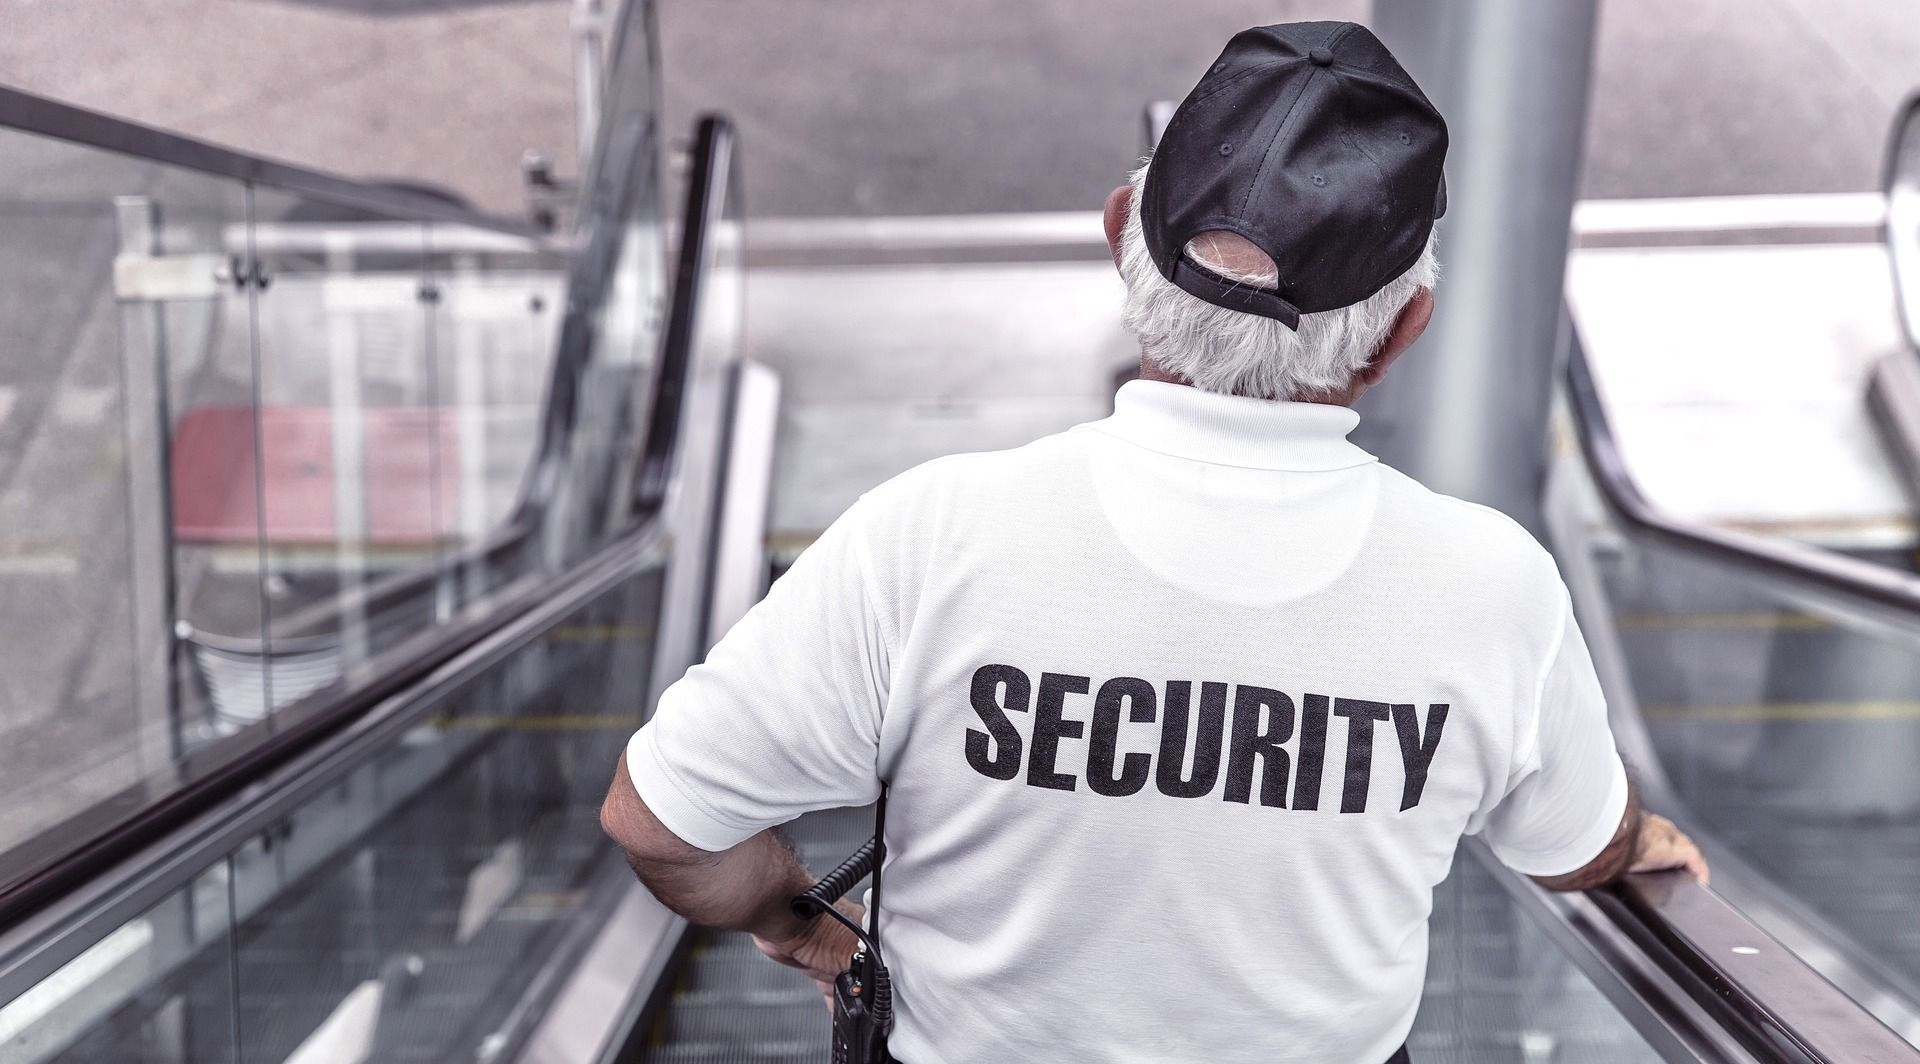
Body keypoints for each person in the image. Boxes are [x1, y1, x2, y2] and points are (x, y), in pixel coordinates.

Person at [599, 19, 1706, 1064]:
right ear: (1400, 332)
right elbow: (1576, 846)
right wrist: (1637, 838)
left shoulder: (931, 535)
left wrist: (807, 925)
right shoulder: (1491, 587)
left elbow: (658, 821)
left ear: (1122, 231)